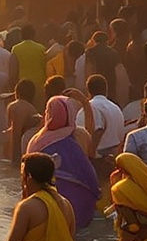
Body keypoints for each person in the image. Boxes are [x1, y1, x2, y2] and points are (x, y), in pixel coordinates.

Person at [26, 96, 102, 233]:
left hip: (44, 205)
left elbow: (26, 177)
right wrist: (96, 191)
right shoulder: (80, 135)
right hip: (77, 202)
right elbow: (89, 166)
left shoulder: (36, 141)